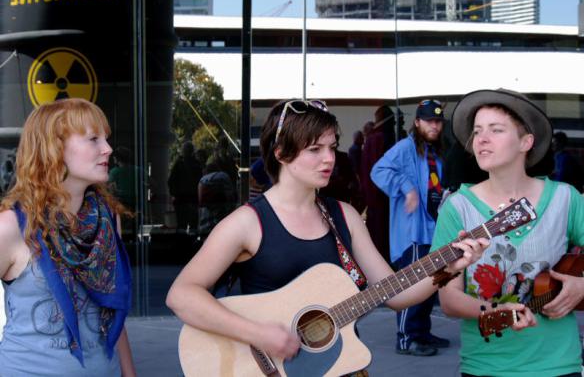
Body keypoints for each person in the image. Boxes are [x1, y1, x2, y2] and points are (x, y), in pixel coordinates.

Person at [166, 99, 489, 372]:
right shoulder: (248, 222)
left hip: (338, 366)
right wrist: (259, 333)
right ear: (281, 153)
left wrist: (450, 266)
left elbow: (394, 293)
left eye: (332, 147)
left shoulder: (344, 216)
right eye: (315, 149)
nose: (330, 158)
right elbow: (181, 295)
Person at [433, 88, 584, 376]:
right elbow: (448, 297)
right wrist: (490, 312)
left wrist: (581, 287)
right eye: (477, 132)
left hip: (559, 364)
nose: (482, 139)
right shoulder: (458, 208)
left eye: (496, 130)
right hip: (485, 366)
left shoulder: (566, 199)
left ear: (526, 141)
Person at [0, 98, 135, 376]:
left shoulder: (107, 219)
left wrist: (129, 373)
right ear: (54, 148)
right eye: (93, 139)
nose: (107, 149)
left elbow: (111, 308)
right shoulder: (12, 226)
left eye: (106, 139)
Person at [371, 99, 449, 356]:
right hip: (413, 231)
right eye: (428, 121)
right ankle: (406, 339)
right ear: (417, 122)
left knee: (430, 284)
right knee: (411, 285)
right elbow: (378, 170)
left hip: (433, 228)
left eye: (438, 121)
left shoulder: (436, 151)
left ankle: (421, 333)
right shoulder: (405, 147)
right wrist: (407, 187)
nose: (434, 126)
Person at [360, 105, 397, 264]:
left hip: (375, 196)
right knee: (382, 237)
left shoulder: (373, 137)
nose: (397, 124)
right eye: (394, 121)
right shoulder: (380, 138)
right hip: (382, 197)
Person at [168, 141, 203, 231]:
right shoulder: (197, 164)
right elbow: (201, 181)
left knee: (181, 224)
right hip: (193, 198)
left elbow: (171, 181)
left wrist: (173, 194)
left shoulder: (178, 164)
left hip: (180, 199)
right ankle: (192, 243)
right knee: (193, 225)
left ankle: (182, 243)